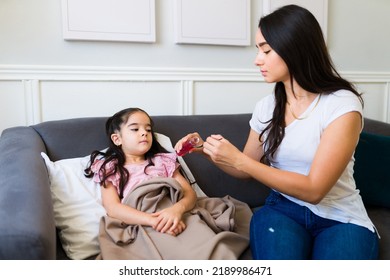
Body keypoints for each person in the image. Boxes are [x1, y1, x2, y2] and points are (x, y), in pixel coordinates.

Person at [175, 5, 379, 259]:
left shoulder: (341, 104)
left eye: (266, 50)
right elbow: (243, 169)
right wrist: (205, 149)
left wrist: (240, 160)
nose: (257, 59)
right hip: (283, 210)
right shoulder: (267, 107)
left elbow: (315, 190)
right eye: (258, 49)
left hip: (341, 216)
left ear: (295, 48)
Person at [85, 107, 197, 237]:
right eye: (135, 129)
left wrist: (176, 210)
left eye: (148, 129)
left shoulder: (163, 162)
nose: (144, 133)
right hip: (143, 222)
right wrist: (154, 221)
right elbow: (113, 208)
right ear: (117, 139)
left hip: (175, 215)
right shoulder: (111, 168)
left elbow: (190, 194)